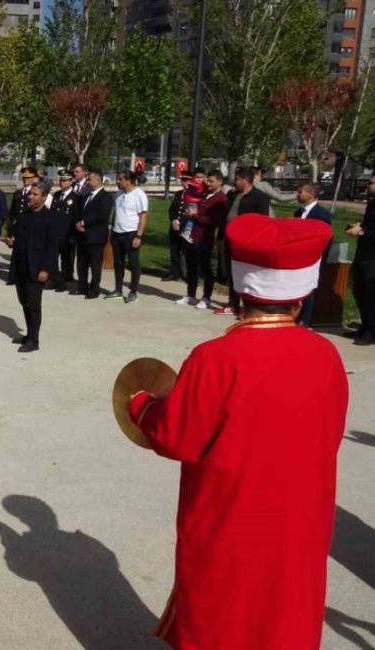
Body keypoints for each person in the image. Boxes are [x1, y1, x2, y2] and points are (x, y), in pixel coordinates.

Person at [125, 213, 345, 650]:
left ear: (240, 290)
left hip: (231, 512)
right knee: (286, 607)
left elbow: (177, 437)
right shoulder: (326, 354)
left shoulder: (215, 358)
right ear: (301, 296)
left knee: (223, 608)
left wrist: (140, 404)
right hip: (300, 513)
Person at [9, 180, 60, 353]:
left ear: (44, 197)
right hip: (21, 266)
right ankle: (29, 334)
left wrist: (45, 269)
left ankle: (34, 340)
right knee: (24, 302)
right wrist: (11, 241)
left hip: (36, 269)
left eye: (35, 194)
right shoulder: (24, 215)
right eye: (30, 193)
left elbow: (52, 247)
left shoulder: (50, 218)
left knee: (33, 304)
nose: (30, 196)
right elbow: (18, 238)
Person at [217, 168, 271, 316]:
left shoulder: (260, 197)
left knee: (247, 274)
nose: (234, 182)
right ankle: (233, 304)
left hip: (247, 241)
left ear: (245, 180)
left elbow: (263, 221)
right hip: (229, 238)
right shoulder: (232, 195)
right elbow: (225, 215)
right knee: (231, 271)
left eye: (237, 179)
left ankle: (249, 307)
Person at [174, 170, 225, 310]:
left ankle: (206, 297)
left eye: (211, 181)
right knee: (191, 267)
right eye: (207, 180)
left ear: (220, 182)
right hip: (192, 234)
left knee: (205, 268)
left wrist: (194, 216)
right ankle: (191, 295)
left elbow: (212, 221)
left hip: (204, 237)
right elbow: (192, 194)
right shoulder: (205, 194)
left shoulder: (220, 199)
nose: (208, 183)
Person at [294, 183, 333, 327]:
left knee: (308, 288)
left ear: (311, 194)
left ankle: (305, 319)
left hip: (313, 256)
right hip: (298, 255)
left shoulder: (321, 214)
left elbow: (325, 237)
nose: (298, 194)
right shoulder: (298, 212)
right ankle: (296, 315)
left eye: (301, 192)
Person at [107, 171, 149, 304]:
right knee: (118, 263)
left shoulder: (139, 195)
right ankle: (118, 289)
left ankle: (133, 291)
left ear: (129, 180)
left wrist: (139, 236)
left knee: (133, 263)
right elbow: (115, 213)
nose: (117, 181)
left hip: (131, 233)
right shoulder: (118, 194)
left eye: (120, 179)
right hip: (117, 233)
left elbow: (143, 217)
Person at [73, 170, 113, 299]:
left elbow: (102, 215)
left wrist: (84, 222)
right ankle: (82, 286)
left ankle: (94, 289)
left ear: (98, 180)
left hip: (96, 236)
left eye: (90, 180)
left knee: (95, 265)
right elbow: (79, 211)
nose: (88, 182)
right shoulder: (86, 196)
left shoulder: (105, 197)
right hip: (82, 235)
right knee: (81, 263)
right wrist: (78, 223)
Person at [346, 173, 375, 345]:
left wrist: (362, 232)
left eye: (372, 182)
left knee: (371, 295)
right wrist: (360, 226)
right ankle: (365, 326)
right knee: (359, 292)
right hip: (363, 254)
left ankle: (371, 332)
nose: (369, 185)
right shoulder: (371, 203)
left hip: (373, 258)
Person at [6, 167, 39, 285]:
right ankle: (13, 277)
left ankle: (27, 277)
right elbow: (12, 213)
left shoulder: (35, 193)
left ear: (33, 178)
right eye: (24, 178)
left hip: (29, 228)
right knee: (16, 253)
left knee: (28, 253)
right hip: (18, 228)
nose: (26, 180)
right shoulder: (18, 193)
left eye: (29, 178)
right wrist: (10, 231)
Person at [50, 170, 78, 292]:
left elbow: (75, 217)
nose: (62, 182)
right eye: (61, 180)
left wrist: (73, 236)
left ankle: (64, 282)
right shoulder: (56, 195)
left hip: (67, 234)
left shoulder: (75, 197)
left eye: (65, 180)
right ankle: (55, 280)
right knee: (53, 258)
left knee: (66, 260)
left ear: (71, 181)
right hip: (55, 234)